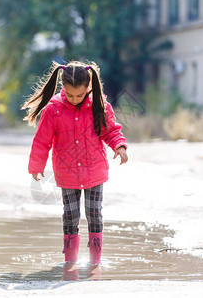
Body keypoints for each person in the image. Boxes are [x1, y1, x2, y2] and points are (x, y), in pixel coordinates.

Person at [22, 61, 128, 268]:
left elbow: (111, 130)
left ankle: (95, 261)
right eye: (70, 95)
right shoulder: (53, 109)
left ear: (89, 87)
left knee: (94, 212)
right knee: (70, 215)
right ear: (63, 88)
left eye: (79, 95)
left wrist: (120, 146)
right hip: (66, 173)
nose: (75, 99)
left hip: (94, 170)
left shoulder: (99, 104)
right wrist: (36, 166)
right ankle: (70, 260)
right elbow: (42, 140)